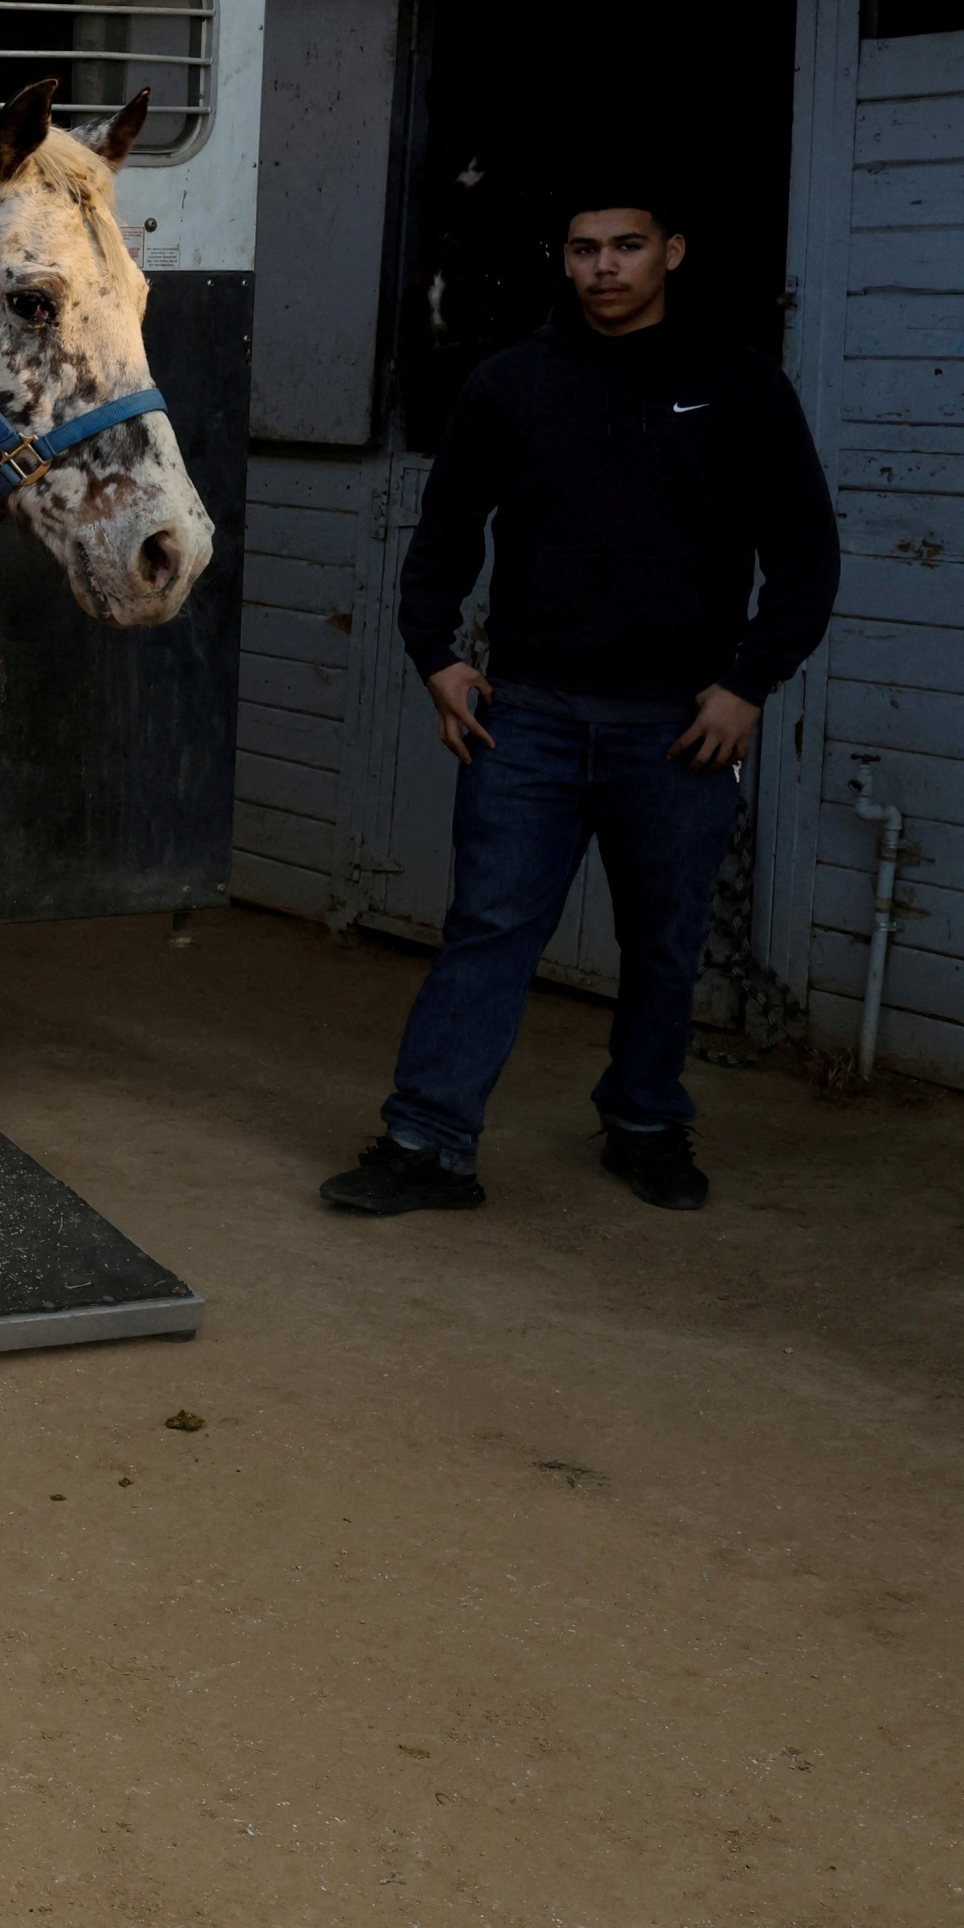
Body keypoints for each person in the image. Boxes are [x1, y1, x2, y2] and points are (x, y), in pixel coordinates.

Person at [326, 197, 837, 1220]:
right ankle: (428, 1144)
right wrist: (435, 656)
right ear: (563, 261)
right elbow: (445, 536)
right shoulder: (513, 385)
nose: (605, 268)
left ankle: (646, 1122)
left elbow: (806, 558)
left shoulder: (737, 385)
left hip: (678, 726)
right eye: (584, 250)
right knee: (491, 927)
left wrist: (745, 687)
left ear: (673, 253)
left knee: (664, 939)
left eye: (628, 247)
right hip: (532, 718)